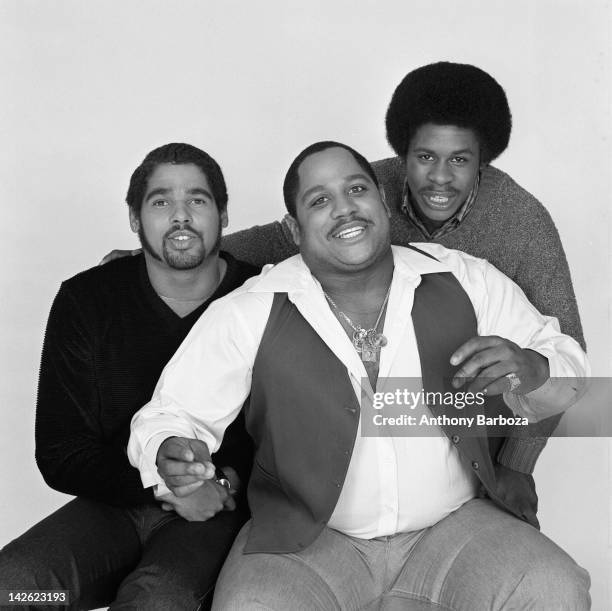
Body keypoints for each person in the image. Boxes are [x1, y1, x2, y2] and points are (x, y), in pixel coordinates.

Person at [128, 141, 590, 610]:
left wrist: (536, 369)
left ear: (382, 200)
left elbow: (570, 369)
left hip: (455, 529)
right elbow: (171, 415)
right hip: (308, 543)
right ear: (293, 227)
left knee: (555, 587)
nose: (344, 208)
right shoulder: (250, 310)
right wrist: (171, 451)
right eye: (320, 200)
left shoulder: (465, 279)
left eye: (356, 189)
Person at [0, 143, 259, 610]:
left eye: (197, 201)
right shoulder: (87, 300)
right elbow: (60, 452)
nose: (180, 217)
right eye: (161, 202)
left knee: (156, 600)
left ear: (223, 214)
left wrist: (224, 486)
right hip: (111, 509)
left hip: (213, 516)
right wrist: (161, 484)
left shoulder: (261, 298)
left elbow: (288, 441)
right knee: (15, 588)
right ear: (135, 219)